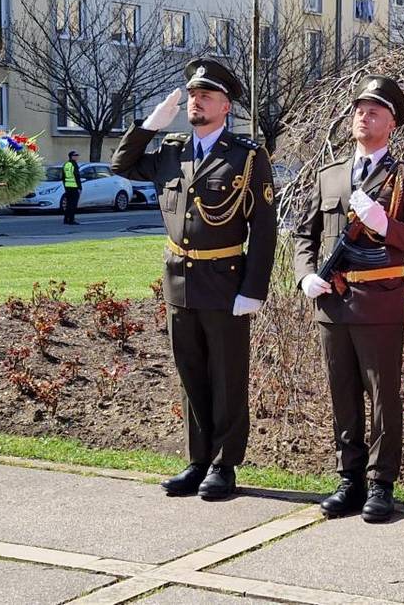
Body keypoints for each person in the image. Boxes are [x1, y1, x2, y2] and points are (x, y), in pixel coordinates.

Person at [112, 58, 277, 500]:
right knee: (191, 375)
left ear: (226, 106)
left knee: (226, 376)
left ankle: (225, 465)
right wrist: (148, 125)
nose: (195, 102)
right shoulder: (170, 150)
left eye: (206, 96)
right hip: (179, 281)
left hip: (225, 282)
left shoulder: (247, 157)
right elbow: (121, 165)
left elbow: (264, 228)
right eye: (192, 95)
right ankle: (197, 460)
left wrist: (253, 289)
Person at [292, 75, 404, 523]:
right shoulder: (329, 175)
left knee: (382, 395)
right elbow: (303, 234)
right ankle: (349, 477)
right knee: (343, 393)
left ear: (392, 123)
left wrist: (387, 226)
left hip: (380, 301)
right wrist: (305, 275)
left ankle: (380, 483)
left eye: (374, 111)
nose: (362, 116)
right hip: (332, 302)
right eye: (358, 109)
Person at [62, 150, 83, 225]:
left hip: (68, 187)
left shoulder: (66, 164)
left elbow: (63, 177)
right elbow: (77, 177)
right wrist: (80, 187)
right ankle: (71, 220)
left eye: (77, 155)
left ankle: (66, 219)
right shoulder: (74, 164)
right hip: (74, 187)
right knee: (73, 204)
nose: (77, 157)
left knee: (68, 204)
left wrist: (65, 186)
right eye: (75, 155)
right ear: (72, 156)